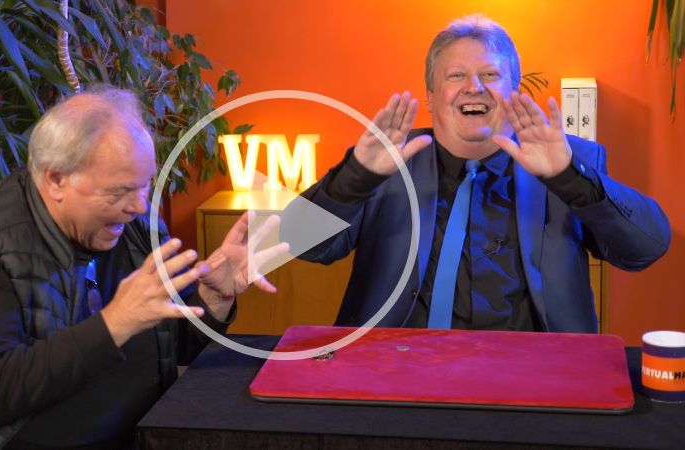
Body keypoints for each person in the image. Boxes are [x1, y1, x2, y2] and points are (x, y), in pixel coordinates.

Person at [0, 86, 286, 449]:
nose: (138, 205)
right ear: (55, 180)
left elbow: (171, 348)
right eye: (119, 191)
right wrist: (115, 322)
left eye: (145, 184)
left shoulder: (134, 223)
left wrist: (213, 298)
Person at [284, 15, 670, 332]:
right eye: (456, 76)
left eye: (490, 74)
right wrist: (357, 176)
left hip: (536, 379)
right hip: (395, 373)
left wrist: (568, 177)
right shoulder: (385, 161)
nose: (474, 87)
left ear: (515, 91)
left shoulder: (569, 161)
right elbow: (302, 243)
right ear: (431, 96)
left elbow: (645, 249)